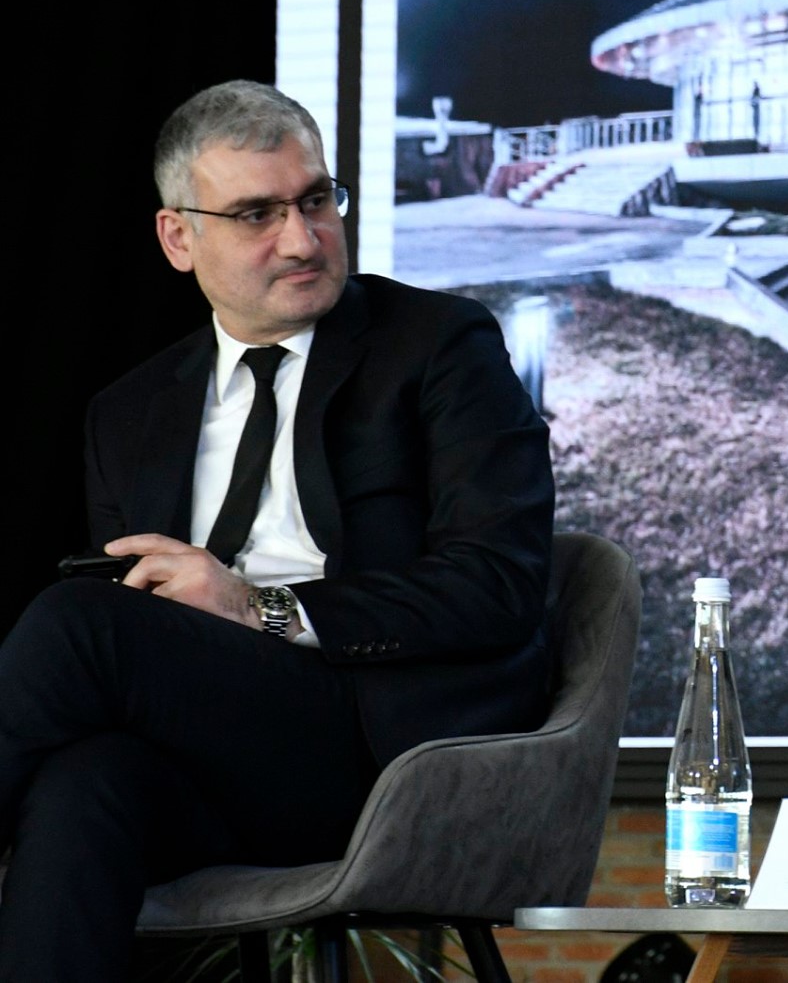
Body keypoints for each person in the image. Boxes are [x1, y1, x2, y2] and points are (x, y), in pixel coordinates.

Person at [0, 81, 555, 982]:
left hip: (386, 757)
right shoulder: (127, 413)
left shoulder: (439, 345)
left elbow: (500, 584)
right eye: (257, 214)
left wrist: (260, 607)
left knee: (78, 626)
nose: (303, 239)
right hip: (214, 768)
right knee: (83, 785)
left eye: (316, 200)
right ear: (178, 238)